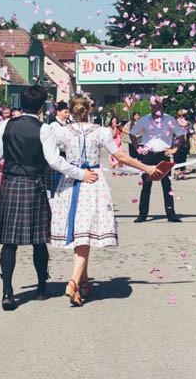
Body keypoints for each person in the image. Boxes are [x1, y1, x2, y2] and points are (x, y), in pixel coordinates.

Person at [0, 85, 97, 311]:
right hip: (33, 184)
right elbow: (55, 161)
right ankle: (41, 288)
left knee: (9, 242)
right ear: (40, 107)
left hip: (10, 184)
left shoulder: (5, 125)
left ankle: (7, 292)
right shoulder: (43, 128)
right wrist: (81, 174)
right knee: (39, 239)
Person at [45, 94, 157, 305]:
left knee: (81, 231)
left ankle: (84, 284)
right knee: (84, 233)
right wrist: (147, 167)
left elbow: (49, 154)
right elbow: (122, 156)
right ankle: (74, 281)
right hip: (93, 182)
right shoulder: (101, 132)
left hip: (70, 181)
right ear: (89, 110)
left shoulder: (62, 133)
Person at [129, 96, 185, 223]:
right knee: (146, 186)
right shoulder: (144, 120)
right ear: (150, 107)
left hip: (163, 154)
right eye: (154, 106)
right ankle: (142, 215)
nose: (156, 109)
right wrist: (138, 147)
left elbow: (180, 135)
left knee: (167, 186)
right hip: (148, 155)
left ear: (162, 107)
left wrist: (175, 148)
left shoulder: (170, 119)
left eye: (159, 106)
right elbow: (132, 134)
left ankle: (171, 214)